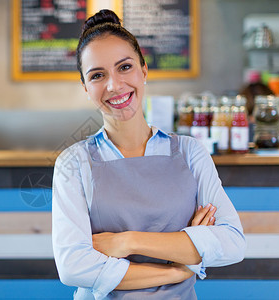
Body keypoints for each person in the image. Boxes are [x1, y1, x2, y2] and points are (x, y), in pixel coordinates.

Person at [52, 9, 246, 300]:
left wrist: (127, 242)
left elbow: (232, 243)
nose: (114, 85)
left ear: (144, 70)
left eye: (125, 67)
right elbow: (73, 267)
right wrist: (179, 268)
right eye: (97, 75)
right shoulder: (73, 163)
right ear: (85, 88)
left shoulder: (190, 152)